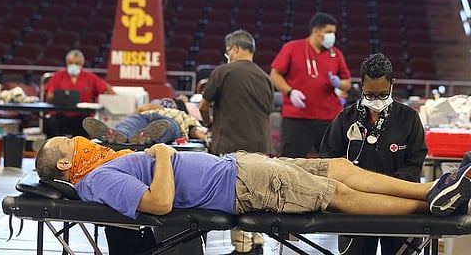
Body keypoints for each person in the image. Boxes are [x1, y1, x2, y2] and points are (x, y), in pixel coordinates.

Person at [35, 136, 471, 222]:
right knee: (333, 192)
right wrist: (164, 155)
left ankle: (434, 189)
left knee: (338, 167)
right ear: (62, 165)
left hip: (239, 166)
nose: (79, 140)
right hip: (241, 186)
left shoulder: (104, 164)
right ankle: (431, 208)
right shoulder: (98, 179)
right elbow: (159, 204)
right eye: (69, 144)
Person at [319, 53, 428, 255]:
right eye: (370, 95)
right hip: (355, 207)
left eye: (382, 94)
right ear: (361, 85)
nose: (376, 100)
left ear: (392, 85)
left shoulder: (409, 118)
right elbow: (327, 158)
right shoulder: (346, 118)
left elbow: (415, 161)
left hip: (398, 204)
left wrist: (388, 189)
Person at [199, 29, 274, 255]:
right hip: (261, 145)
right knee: (258, 194)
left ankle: (242, 247)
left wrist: (209, 123)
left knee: (235, 195)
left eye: (228, 50)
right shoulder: (265, 77)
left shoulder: (224, 71)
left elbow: (203, 105)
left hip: (232, 145)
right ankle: (259, 240)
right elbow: (267, 110)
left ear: (234, 49)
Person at [270, 11, 352, 158]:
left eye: (333, 32)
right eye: (328, 32)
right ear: (316, 31)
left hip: (328, 117)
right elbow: (275, 74)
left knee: (333, 162)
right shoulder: (292, 48)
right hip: (297, 118)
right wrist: (290, 92)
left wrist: (339, 83)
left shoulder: (336, 54)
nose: (332, 36)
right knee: (290, 163)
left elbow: (347, 84)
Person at [44, 49, 115, 138]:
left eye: (76, 63)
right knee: (51, 124)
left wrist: (109, 100)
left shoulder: (90, 77)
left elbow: (107, 88)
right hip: (60, 116)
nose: (73, 65)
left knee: (88, 125)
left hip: (81, 117)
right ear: (66, 63)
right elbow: (49, 96)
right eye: (70, 63)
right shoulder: (58, 76)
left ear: (82, 64)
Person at [83, 97, 210, 145]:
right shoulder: (152, 106)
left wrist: (205, 137)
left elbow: (195, 130)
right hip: (145, 117)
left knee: (168, 127)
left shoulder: (183, 115)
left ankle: (147, 137)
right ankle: (113, 135)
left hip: (171, 122)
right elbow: (133, 115)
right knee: (129, 123)